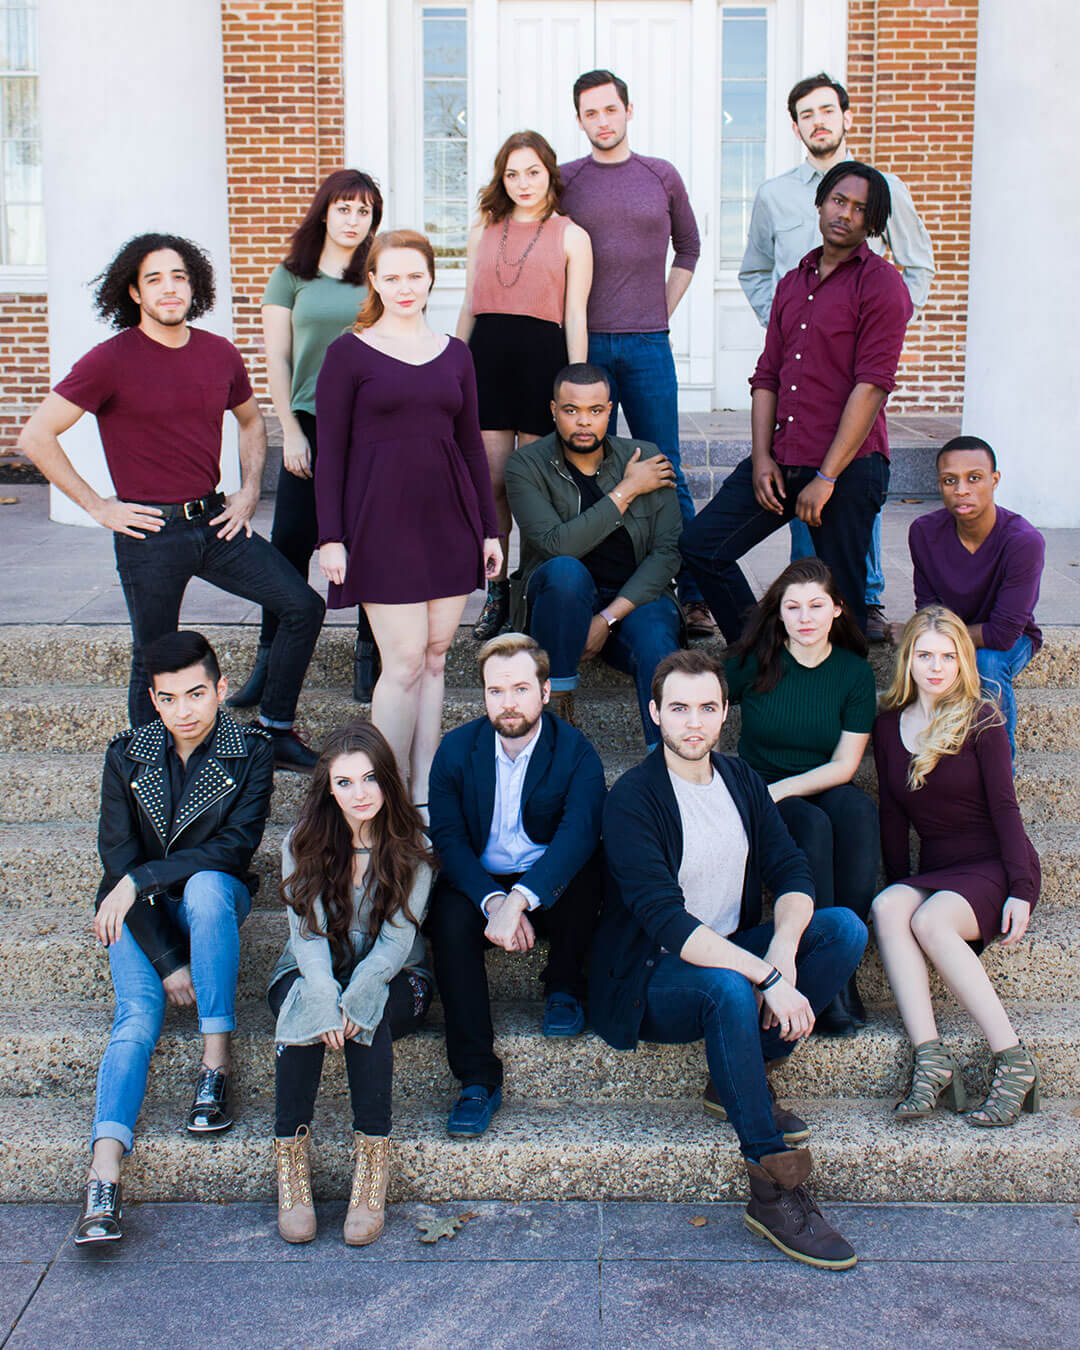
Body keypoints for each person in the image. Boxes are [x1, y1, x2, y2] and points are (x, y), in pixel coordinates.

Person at [591, 650, 866, 1269]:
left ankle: (735, 1074)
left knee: (843, 930)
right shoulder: (633, 799)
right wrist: (765, 974)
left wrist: (785, 956)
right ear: (655, 713)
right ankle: (772, 1188)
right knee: (731, 990)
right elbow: (668, 923)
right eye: (680, 708)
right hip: (652, 978)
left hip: (730, 958)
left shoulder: (740, 780)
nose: (694, 723)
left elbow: (792, 871)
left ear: (723, 716)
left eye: (708, 708)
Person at [18, 233, 324, 771]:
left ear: (194, 285)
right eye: (154, 278)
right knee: (152, 655)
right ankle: (151, 764)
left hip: (213, 522)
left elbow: (251, 421)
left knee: (302, 605)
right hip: (148, 533)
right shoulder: (109, 360)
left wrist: (250, 490)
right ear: (134, 292)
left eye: (178, 276)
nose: (168, 287)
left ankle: (274, 728)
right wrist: (98, 507)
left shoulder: (218, 352)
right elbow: (37, 436)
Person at [75, 632, 274, 1246]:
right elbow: (116, 860)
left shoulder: (250, 752)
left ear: (219, 688)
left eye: (196, 693)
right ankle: (103, 1179)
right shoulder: (127, 755)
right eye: (168, 699)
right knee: (135, 1019)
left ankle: (216, 1062)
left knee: (212, 886)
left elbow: (234, 848)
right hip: (138, 913)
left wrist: (140, 878)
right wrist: (166, 961)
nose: (184, 710)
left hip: (209, 903)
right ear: (153, 700)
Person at [739, 73, 935, 643]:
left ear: (846, 115)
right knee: (806, 508)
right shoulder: (777, 193)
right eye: (806, 113)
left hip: (854, 370)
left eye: (828, 109)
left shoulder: (883, 187)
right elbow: (754, 269)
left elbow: (916, 265)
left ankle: (860, 600)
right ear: (795, 124)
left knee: (845, 487)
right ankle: (813, 605)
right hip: (795, 371)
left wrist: (880, 326)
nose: (818, 120)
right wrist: (788, 327)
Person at [681, 162, 912, 641]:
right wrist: (763, 457)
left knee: (841, 603)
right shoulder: (793, 282)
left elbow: (871, 386)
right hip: (783, 460)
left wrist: (826, 477)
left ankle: (843, 706)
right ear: (821, 201)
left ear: (872, 223)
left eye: (860, 209)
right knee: (702, 547)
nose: (845, 214)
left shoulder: (882, 284)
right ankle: (762, 653)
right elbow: (766, 377)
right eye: (838, 200)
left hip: (848, 468)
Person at [315, 229, 502, 810]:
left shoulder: (456, 352)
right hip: (380, 525)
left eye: (414, 276)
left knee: (436, 658)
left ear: (430, 280)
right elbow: (331, 452)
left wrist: (490, 529)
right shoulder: (348, 352)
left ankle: (423, 791)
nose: (404, 287)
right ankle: (386, 794)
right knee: (400, 661)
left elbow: (472, 446)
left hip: (450, 521)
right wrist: (331, 537)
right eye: (391, 276)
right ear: (372, 280)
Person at [427, 633, 605, 1137]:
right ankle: (478, 1077)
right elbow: (449, 840)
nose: (508, 703)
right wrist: (493, 900)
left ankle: (565, 985)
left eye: (521, 689)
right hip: (479, 882)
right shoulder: (457, 750)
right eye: (496, 691)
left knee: (588, 869)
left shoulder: (575, 752)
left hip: (549, 882)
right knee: (446, 919)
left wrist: (522, 899)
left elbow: (577, 836)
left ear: (546, 692)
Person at [871, 607, 1041, 1127]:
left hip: (991, 864)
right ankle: (931, 1059)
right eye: (925, 655)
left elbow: (1006, 808)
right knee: (888, 904)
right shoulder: (886, 727)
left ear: (962, 662)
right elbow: (893, 816)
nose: (936, 667)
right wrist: (900, 880)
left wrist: (1022, 888)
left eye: (948, 656)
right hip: (940, 868)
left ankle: (1013, 1060)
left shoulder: (982, 718)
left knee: (929, 920)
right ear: (908, 660)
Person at [559, 69, 714, 638]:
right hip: (587, 347)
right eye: (590, 113)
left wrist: (661, 308)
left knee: (664, 467)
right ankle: (597, 587)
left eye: (609, 109)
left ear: (629, 110)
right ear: (579, 120)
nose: (601, 121)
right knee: (586, 467)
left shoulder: (661, 175)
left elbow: (690, 247)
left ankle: (693, 596)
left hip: (649, 345)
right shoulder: (563, 180)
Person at [268, 722, 434, 1246]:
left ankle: (370, 1171)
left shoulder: (413, 848)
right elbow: (307, 935)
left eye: (369, 779)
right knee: (302, 1011)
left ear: (388, 780)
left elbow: (395, 943)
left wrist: (357, 998)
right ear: (328, 789)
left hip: (398, 974)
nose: (359, 794)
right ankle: (291, 1171)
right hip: (310, 966)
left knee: (372, 1015)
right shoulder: (302, 843)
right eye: (344, 783)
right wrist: (323, 997)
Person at [231, 169, 385, 708]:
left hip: (372, 429)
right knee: (290, 547)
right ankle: (269, 661)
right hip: (311, 426)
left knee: (369, 542)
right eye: (344, 207)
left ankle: (371, 657)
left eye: (364, 211)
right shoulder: (291, 275)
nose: (353, 219)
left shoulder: (379, 272)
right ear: (325, 211)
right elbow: (277, 358)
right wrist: (290, 430)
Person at [726, 558, 878, 1037]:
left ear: (836, 610)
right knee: (810, 827)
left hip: (816, 782)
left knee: (856, 812)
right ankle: (825, 980)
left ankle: (844, 967)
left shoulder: (854, 673)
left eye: (816, 605)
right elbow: (697, 699)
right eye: (793, 607)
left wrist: (779, 790)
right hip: (761, 784)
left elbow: (845, 766)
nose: (805, 617)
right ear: (779, 613)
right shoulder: (753, 662)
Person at [456, 131, 593, 639]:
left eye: (532, 171)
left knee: (535, 490)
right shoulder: (483, 231)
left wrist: (576, 387)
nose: (523, 183)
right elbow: (469, 306)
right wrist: (453, 365)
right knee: (490, 486)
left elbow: (575, 314)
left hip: (543, 365)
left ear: (549, 174)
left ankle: (532, 591)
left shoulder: (571, 235)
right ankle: (495, 595)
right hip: (487, 363)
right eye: (512, 174)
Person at [504, 363, 682, 744]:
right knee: (566, 571)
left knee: (655, 640)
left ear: (610, 411)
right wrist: (627, 491)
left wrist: (606, 619)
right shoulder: (526, 465)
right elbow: (556, 546)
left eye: (595, 411)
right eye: (571, 411)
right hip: (558, 608)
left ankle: (666, 760)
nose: (584, 422)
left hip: (632, 605)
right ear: (554, 410)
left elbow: (668, 552)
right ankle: (556, 710)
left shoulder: (646, 457)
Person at [898, 436, 1045, 756]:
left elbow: (1004, 634)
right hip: (952, 634)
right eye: (950, 480)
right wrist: (922, 635)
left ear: (995, 480)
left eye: (974, 478)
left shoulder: (1023, 541)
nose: (961, 489)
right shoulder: (924, 532)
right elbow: (928, 607)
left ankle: (1001, 770)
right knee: (917, 658)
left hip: (1011, 640)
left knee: (986, 662)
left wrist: (936, 637)